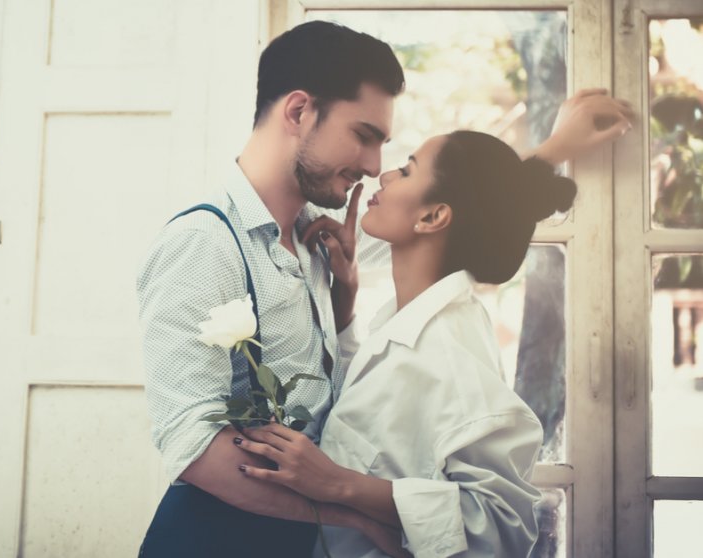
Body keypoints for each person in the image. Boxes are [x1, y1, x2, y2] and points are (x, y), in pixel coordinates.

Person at [135, 20, 632, 558]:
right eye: (364, 135)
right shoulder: (204, 244)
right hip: (215, 542)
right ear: (299, 112)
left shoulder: (322, 235)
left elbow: (460, 213)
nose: (375, 168)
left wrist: (555, 147)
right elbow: (192, 445)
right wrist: (345, 509)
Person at [233, 131, 588, 557]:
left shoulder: (453, 351)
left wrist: (339, 484)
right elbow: (379, 415)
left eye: (406, 170)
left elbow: (501, 524)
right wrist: (344, 307)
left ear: (433, 216)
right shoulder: (411, 321)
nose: (384, 174)